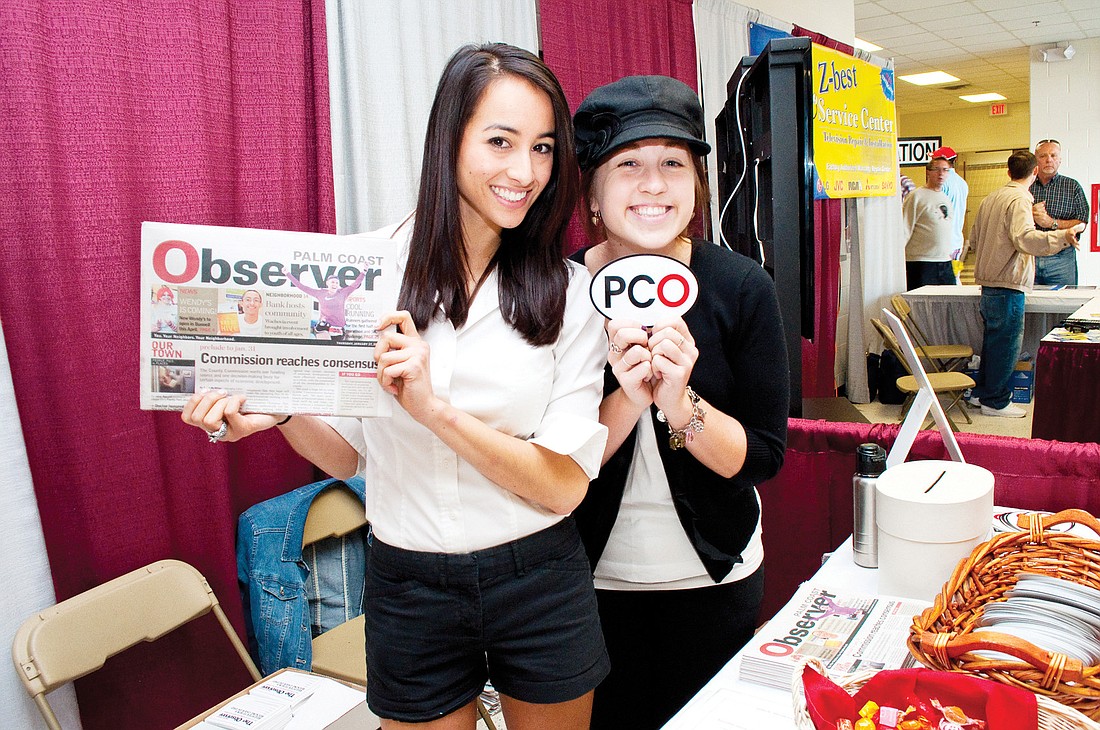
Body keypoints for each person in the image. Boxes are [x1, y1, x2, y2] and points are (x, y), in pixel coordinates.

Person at [183, 43, 611, 729]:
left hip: (539, 578)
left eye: (542, 148)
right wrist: (284, 406)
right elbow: (352, 457)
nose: (523, 171)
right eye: (500, 141)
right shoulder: (361, 274)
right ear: (450, 139)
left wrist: (434, 410)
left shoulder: (570, 295)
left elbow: (563, 485)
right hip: (410, 584)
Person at [570, 75, 790, 729]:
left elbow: (761, 457)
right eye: (628, 164)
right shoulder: (556, 294)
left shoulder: (741, 287)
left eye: (673, 163)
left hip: (714, 581)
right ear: (592, 192)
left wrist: (678, 400)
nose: (654, 184)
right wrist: (629, 400)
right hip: (587, 586)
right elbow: (542, 467)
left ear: (696, 183)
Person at [968, 150, 1082, 418]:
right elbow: (1026, 240)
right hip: (1007, 283)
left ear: (1008, 172)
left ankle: (982, 395)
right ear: (1034, 173)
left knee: (992, 343)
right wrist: (1062, 236)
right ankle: (995, 401)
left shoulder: (990, 198)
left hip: (989, 284)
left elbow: (974, 240)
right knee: (1006, 345)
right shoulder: (1019, 200)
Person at [1029, 139, 1090, 286]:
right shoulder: (1026, 185)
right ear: (1036, 159)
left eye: (1053, 155)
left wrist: (1052, 223)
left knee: (1064, 303)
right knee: (1028, 305)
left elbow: (1082, 221)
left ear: (1060, 160)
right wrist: (1029, 213)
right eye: (1043, 156)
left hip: (1062, 258)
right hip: (1029, 257)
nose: (1048, 160)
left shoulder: (1072, 186)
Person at [902, 157, 955, 290]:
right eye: (936, 169)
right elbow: (904, 228)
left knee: (948, 303)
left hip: (944, 261)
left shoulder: (945, 198)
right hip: (921, 262)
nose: (941, 174)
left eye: (945, 170)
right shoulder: (916, 196)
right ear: (928, 172)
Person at [282, 268, 366, 340]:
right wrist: (287, 274)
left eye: (337, 283)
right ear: (327, 283)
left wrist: (364, 271)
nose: (335, 284)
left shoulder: (343, 293)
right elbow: (303, 287)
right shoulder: (320, 293)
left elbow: (355, 284)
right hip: (324, 326)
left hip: (338, 328)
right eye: (332, 282)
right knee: (325, 347)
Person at [931, 146, 968, 262]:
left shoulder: (942, 183)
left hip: (943, 243)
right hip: (957, 242)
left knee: (941, 278)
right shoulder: (962, 183)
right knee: (954, 276)